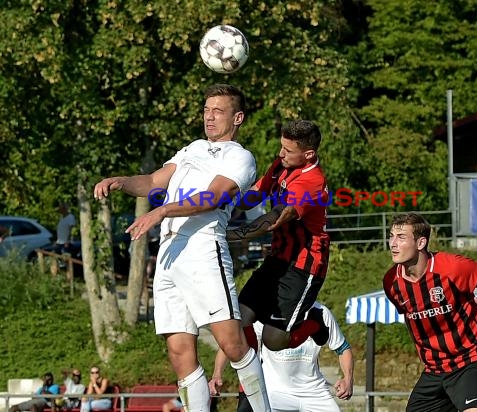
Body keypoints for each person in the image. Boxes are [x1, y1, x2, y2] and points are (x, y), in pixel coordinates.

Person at [93, 84, 270, 412]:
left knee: (232, 343)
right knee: (178, 352)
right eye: (206, 110)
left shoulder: (240, 157)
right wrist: (120, 180)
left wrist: (162, 210)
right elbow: (152, 181)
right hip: (169, 254)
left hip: (203, 250)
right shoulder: (192, 148)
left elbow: (213, 197)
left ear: (238, 117)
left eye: (218, 111)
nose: (209, 117)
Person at [382, 213, 477, 412]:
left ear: (421, 242)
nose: (393, 243)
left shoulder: (454, 268)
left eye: (401, 237)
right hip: (435, 369)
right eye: (391, 236)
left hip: (472, 358)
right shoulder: (391, 283)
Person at [227, 119, 331, 353]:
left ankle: (313, 322)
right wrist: (223, 199)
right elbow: (254, 194)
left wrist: (231, 235)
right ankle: (250, 385)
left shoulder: (311, 181)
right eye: (281, 146)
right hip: (278, 256)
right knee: (240, 317)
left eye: (288, 150)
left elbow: (275, 218)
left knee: (273, 341)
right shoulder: (281, 165)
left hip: (303, 265)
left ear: (309, 154)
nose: (280, 153)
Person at [209, 302, 354, 412]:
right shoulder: (265, 314)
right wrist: (217, 373)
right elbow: (235, 343)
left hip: (314, 393)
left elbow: (343, 348)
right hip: (275, 394)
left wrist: (348, 379)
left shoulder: (321, 313)